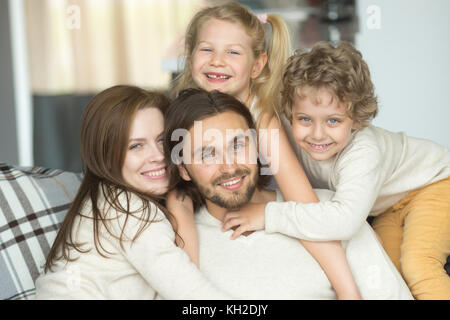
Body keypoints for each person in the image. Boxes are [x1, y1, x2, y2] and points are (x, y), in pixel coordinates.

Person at [223, 41, 450, 300]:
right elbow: (255, 103)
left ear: (356, 118)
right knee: (389, 271)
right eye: (305, 119)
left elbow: (344, 220)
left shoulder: (364, 151)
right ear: (290, 113)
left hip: (434, 185)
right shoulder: (283, 126)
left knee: (418, 266)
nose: (317, 134)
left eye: (333, 120)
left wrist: (269, 215)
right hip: (387, 205)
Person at [169, 0, 361, 299]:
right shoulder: (182, 111)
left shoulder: (262, 119)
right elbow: (178, 194)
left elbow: (307, 209)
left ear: (257, 65)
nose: (217, 61)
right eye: (207, 49)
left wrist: (348, 292)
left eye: (232, 52)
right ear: (190, 55)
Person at [163, 88, 413, 299]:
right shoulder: (178, 247)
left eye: (238, 145)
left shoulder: (329, 214)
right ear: (184, 169)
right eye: (208, 154)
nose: (229, 166)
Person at [34, 85, 231, 299]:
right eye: (136, 146)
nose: (158, 155)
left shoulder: (105, 197)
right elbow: (190, 293)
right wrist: (181, 210)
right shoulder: (129, 209)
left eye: (162, 140)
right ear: (107, 157)